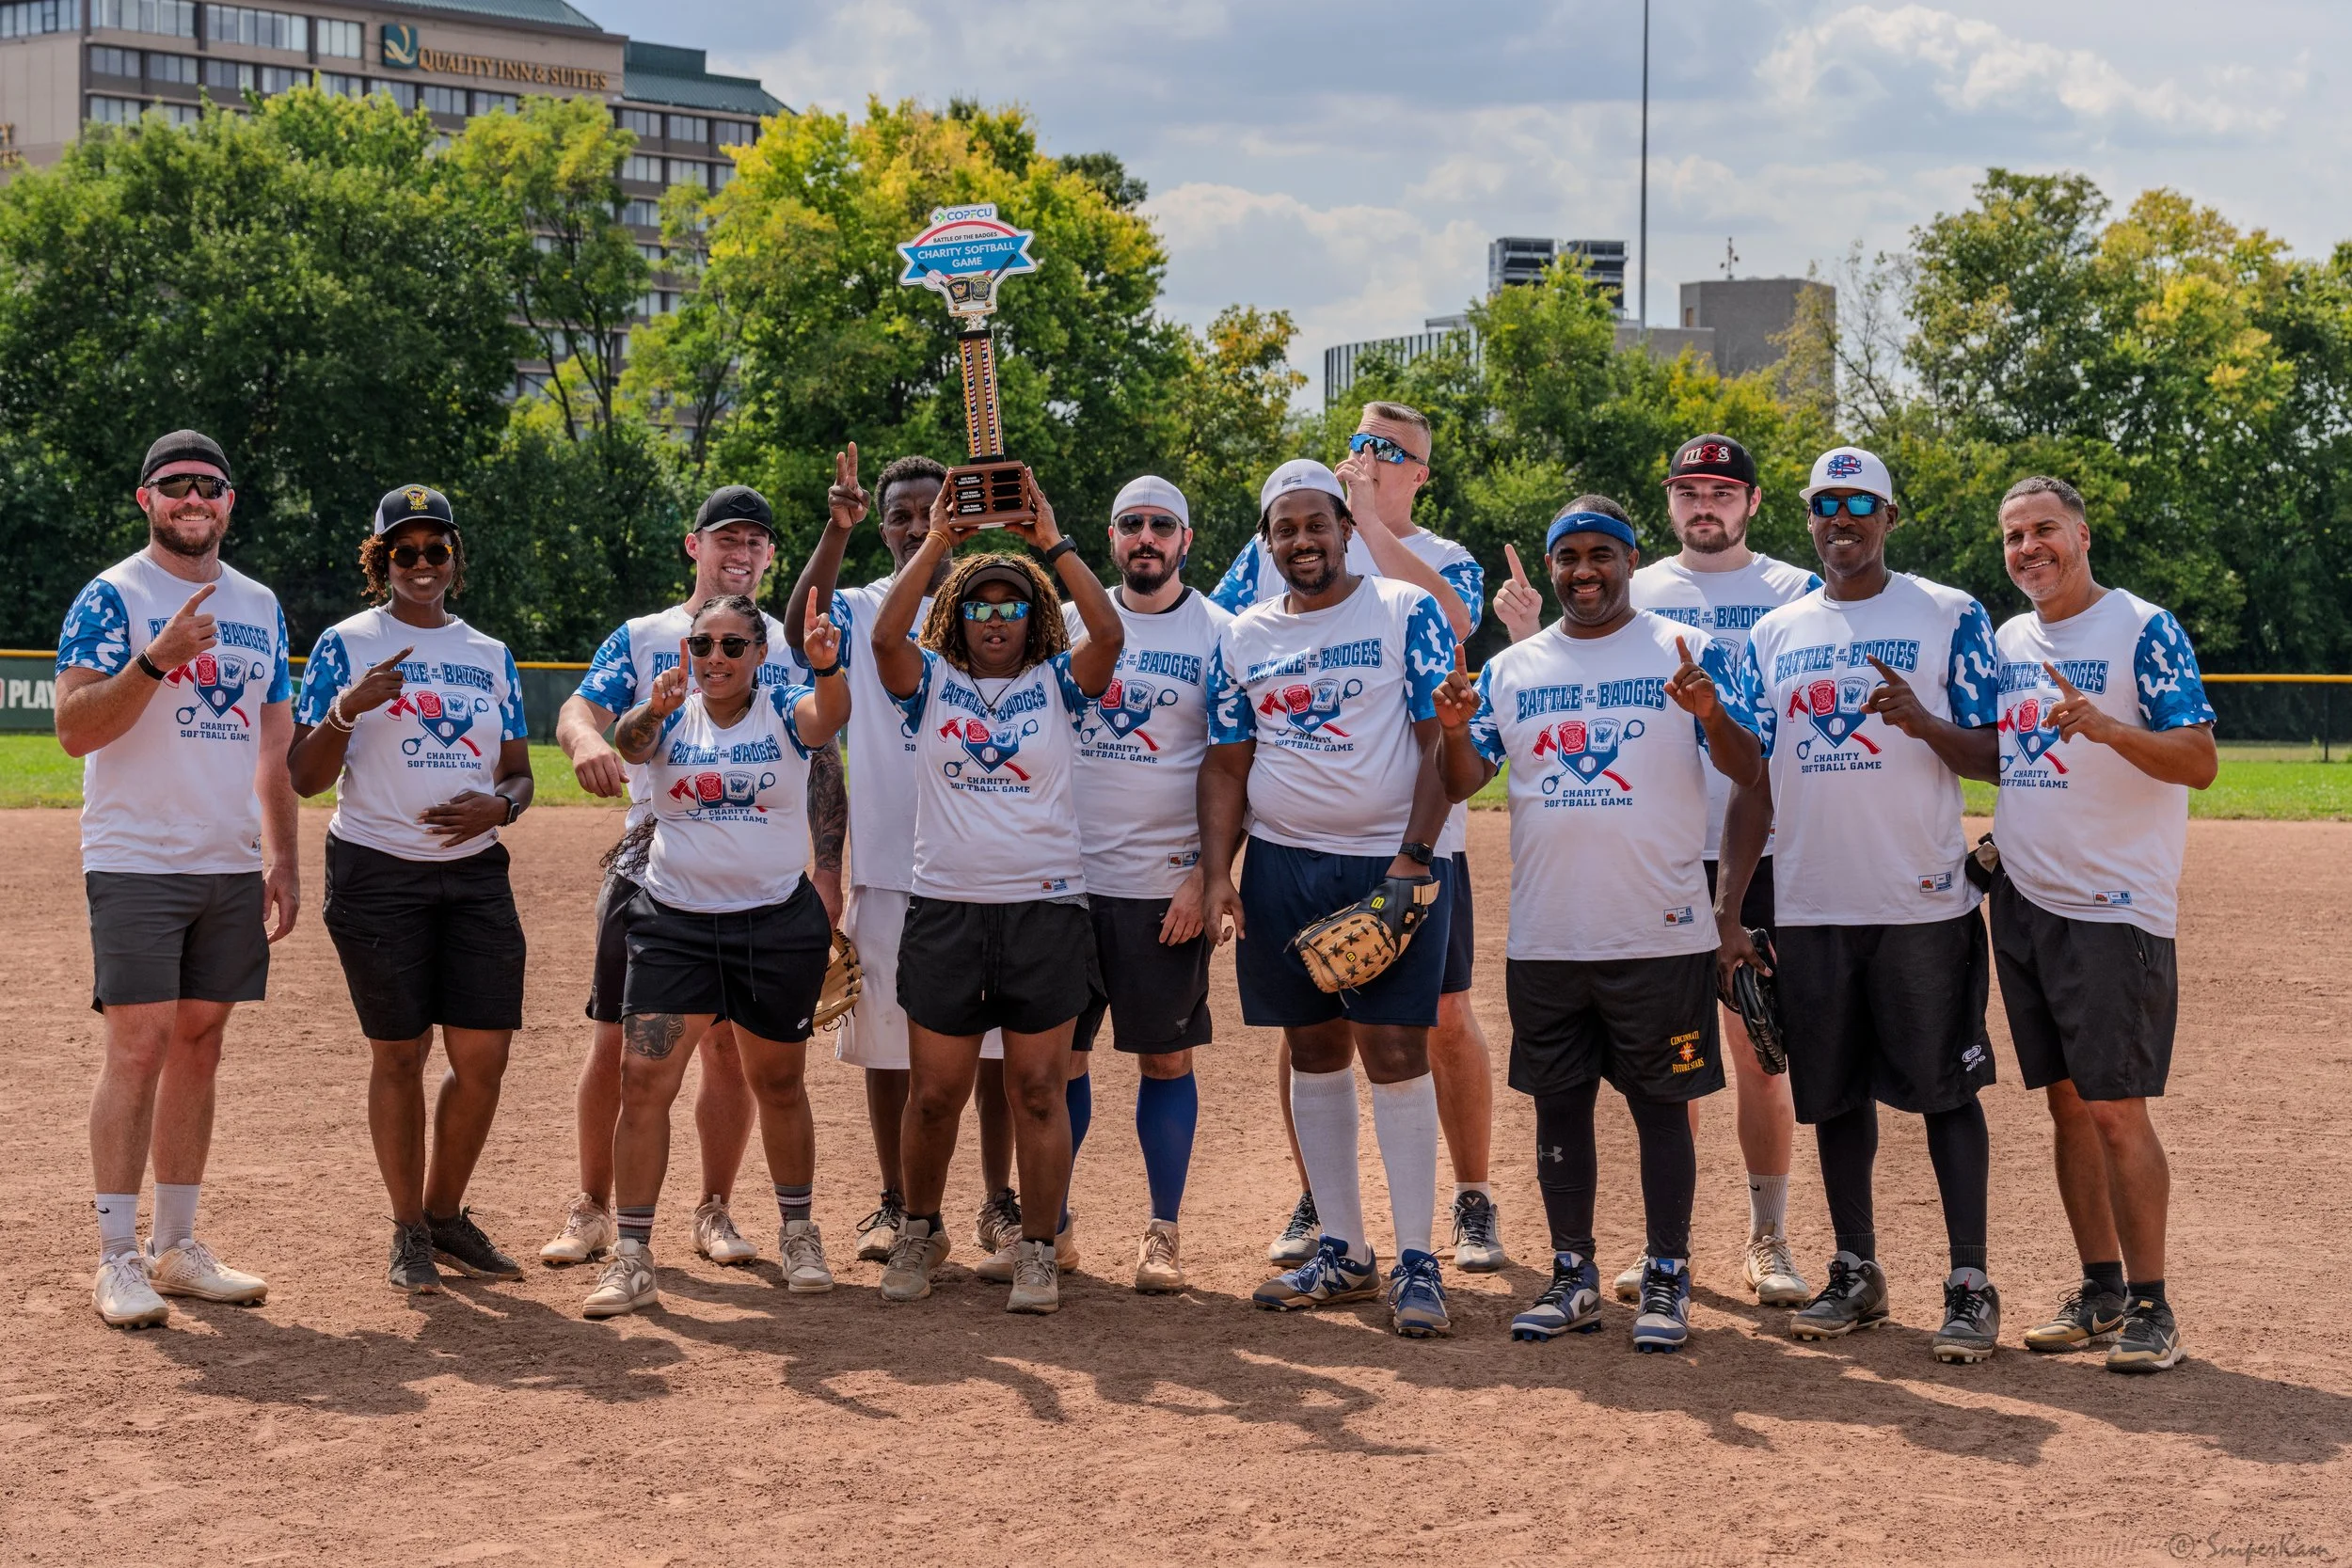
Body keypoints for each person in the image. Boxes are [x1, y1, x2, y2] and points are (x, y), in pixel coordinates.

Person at [1498, 437, 1820, 1307]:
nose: (1703, 502)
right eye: (1688, 489)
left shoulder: (1793, 591)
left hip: (1746, 842)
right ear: (1668, 504)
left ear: (1752, 500)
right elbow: (1552, 680)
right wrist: (1523, 639)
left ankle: (1765, 1235)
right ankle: (1649, 1252)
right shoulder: (1644, 590)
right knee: (1654, 1081)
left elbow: (1761, 747)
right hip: (1644, 848)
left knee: (1758, 1047)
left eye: (1720, 489)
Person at [1438, 502, 1762, 1350]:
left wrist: (1711, 715)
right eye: (1569, 558)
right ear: (1550, 568)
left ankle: (1667, 1273)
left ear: (1631, 558)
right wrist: (1447, 731)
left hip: (1659, 930)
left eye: (1602, 555)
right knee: (1559, 1109)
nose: (1585, 571)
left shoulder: (1687, 649)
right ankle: (1573, 1273)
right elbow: (1464, 777)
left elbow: (1749, 767)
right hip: (1550, 933)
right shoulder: (1515, 668)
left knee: (1662, 1109)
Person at [1719, 445, 2008, 1364]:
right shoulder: (1774, 634)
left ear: (1889, 515)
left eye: (1859, 503)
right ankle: (1856, 1267)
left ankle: (1968, 1281)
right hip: (1812, 901)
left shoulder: (1948, 614)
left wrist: (1926, 723)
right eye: (1824, 504)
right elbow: (1754, 785)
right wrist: (1729, 910)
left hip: (1921, 900)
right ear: (1805, 517)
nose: (1841, 519)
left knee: (1945, 1092)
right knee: (1831, 1094)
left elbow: (1999, 753)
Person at [1213, 403, 1503, 1276]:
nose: (1302, 538)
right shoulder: (1246, 622)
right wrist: (1215, 870)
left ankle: (1434, 1236)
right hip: (1283, 859)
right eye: (1285, 527)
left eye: (1318, 522)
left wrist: (1412, 860)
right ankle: (1340, 1237)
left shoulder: (1417, 589)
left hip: (1397, 853)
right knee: (1311, 1044)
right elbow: (1226, 751)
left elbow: (1437, 728)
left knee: (1406, 1039)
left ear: (1346, 527)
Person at [542, 485, 841, 1271]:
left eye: (754, 543)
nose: (739, 554)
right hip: (652, 856)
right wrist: (582, 745)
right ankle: (596, 1208)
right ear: (694, 546)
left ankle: (714, 1207)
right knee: (621, 1046)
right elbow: (580, 708)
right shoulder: (646, 636)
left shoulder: (780, 642)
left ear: (771, 557)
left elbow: (820, 754)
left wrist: (830, 866)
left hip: (755, 872)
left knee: (735, 1057)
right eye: (725, 540)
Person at [56, 429, 296, 1329]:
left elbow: (273, 743)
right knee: (139, 1047)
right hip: (137, 856)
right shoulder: (113, 594)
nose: (194, 498)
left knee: (201, 1044)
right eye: (175, 485)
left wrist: (283, 856)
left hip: (228, 860)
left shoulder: (260, 603)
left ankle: (177, 1244)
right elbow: (76, 729)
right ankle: (117, 1256)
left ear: (230, 501)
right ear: (146, 498)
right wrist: (157, 658)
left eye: (211, 485)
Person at [868, 479, 1124, 1314]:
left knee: (1037, 1092)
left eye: (1013, 604)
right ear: (957, 618)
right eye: (979, 605)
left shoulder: (1059, 683)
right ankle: (919, 1230)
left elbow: (1110, 634)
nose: (995, 617)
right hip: (945, 908)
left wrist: (1051, 543)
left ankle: (1039, 1249)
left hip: (1045, 910)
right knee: (934, 1092)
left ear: (1036, 617)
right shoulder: (932, 684)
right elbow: (881, 639)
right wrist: (940, 543)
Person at [1991, 476, 2215, 1373]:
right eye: (2013, 536)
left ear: (2081, 535)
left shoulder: (2142, 627)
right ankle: (2101, 1290)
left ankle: (2155, 1308)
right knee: (2067, 1105)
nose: (2028, 548)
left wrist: (2110, 728)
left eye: (2045, 529)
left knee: (2118, 1109)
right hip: (2027, 902)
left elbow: (2198, 759)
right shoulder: (2009, 640)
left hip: (2114, 907)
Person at [288, 485, 534, 1293]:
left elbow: (521, 775)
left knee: (483, 1057)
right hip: (376, 872)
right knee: (400, 1053)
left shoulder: (489, 652)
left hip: (474, 874)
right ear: (381, 561)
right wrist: (347, 713)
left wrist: (500, 805)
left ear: (455, 560)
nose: (422, 564)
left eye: (437, 549)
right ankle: (407, 1230)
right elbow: (302, 777)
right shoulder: (346, 643)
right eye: (406, 551)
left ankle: (444, 1211)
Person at [580, 592, 851, 1318]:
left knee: (780, 1083)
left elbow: (829, 719)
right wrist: (656, 708)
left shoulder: (786, 706)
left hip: (771, 926)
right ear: (686, 651)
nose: (717, 659)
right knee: (644, 1080)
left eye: (734, 646)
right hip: (675, 928)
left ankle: (798, 1231)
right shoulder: (669, 713)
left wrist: (828, 668)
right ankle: (633, 1254)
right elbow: (632, 744)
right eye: (704, 645)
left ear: (760, 653)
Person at [784, 448, 1022, 1271]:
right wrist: (836, 526)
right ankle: (896, 1199)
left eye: (931, 512)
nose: (917, 525)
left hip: (989, 862)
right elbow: (793, 628)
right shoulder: (857, 606)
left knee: (994, 1051)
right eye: (902, 515)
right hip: (890, 862)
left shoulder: (996, 598)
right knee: (885, 1049)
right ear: (883, 525)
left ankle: (998, 1201)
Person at [1060, 475, 1232, 1293]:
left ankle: (1162, 1231)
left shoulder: (1221, 634)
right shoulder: (1063, 626)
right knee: (1055, 1061)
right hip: (1061, 881)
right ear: (1111, 536)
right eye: (1131, 523)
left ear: (1187, 540)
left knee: (1165, 1061)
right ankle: (1048, 1226)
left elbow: (1242, 767)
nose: (1146, 537)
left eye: (1162, 525)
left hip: (1164, 888)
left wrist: (1209, 875)